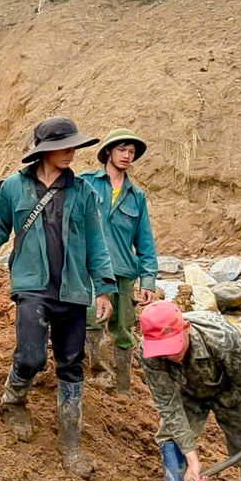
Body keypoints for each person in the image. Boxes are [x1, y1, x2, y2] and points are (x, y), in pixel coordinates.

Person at [0, 117, 116, 478]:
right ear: (44, 151)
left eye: (74, 146)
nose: (71, 152)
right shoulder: (14, 187)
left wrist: (104, 289)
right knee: (30, 357)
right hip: (32, 286)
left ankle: (71, 441)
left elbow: (97, 244)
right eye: (64, 146)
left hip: (73, 291)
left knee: (72, 365)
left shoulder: (85, 193)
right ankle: (13, 400)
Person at [137, 301, 241, 481]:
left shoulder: (224, 340)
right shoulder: (149, 352)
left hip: (230, 388)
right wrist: (192, 458)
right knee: (171, 437)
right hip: (187, 390)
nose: (171, 356)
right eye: (164, 352)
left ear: (186, 329)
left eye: (175, 347)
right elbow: (168, 404)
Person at [82, 128, 158, 393]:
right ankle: (98, 376)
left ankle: (123, 386)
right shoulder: (86, 183)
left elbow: (146, 242)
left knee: (123, 329)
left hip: (124, 273)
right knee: (92, 317)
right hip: (90, 270)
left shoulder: (136, 196)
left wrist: (148, 280)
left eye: (132, 152)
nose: (127, 156)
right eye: (122, 150)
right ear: (108, 153)